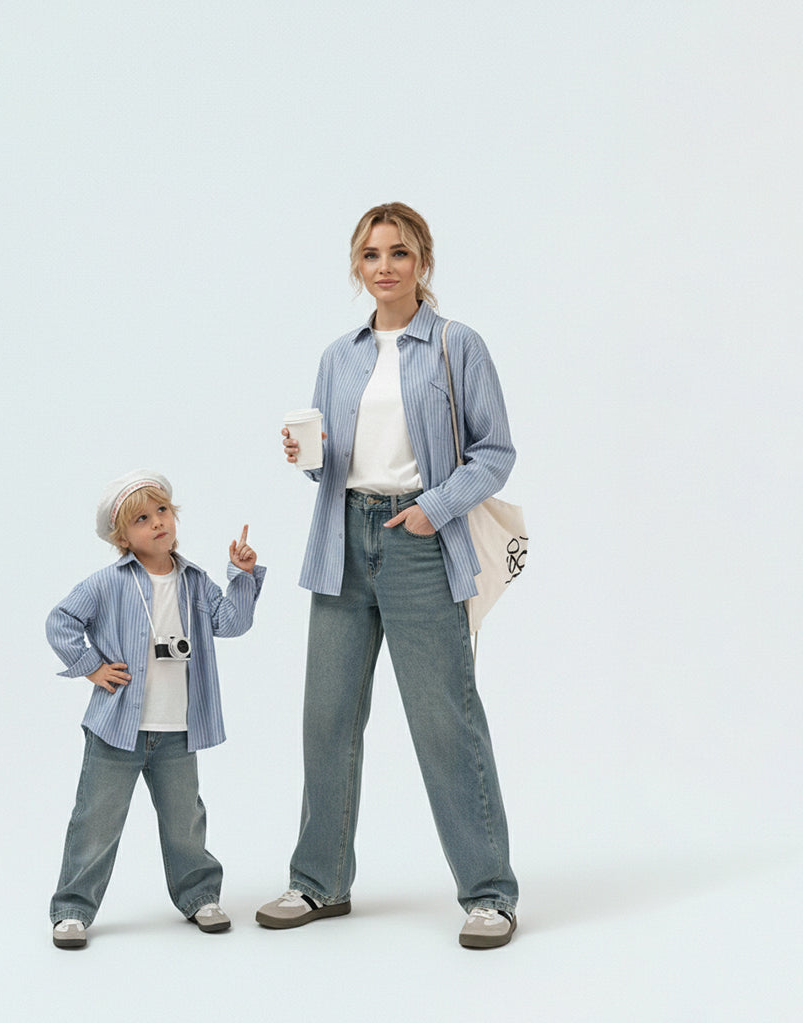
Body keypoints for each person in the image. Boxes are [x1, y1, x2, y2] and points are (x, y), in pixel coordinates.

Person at [256, 203, 519, 949]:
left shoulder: (455, 346)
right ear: (357, 267)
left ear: (422, 262)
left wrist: (434, 510)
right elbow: (331, 466)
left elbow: (495, 451)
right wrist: (308, 458)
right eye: (371, 254)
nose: (385, 266)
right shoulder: (338, 356)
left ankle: (490, 893)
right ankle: (319, 881)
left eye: (399, 252)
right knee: (327, 718)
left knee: (446, 720)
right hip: (343, 536)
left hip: (419, 541)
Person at [46, 469, 264, 949]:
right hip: (116, 730)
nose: (157, 523)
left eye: (162, 511)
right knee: (96, 820)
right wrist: (91, 667)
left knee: (185, 818)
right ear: (122, 537)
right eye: (142, 519)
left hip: (177, 729)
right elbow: (61, 621)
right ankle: (72, 909)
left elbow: (231, 623)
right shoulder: (108, 583)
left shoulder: (195, 582)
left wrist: (242, 577)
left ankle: (199, 895)